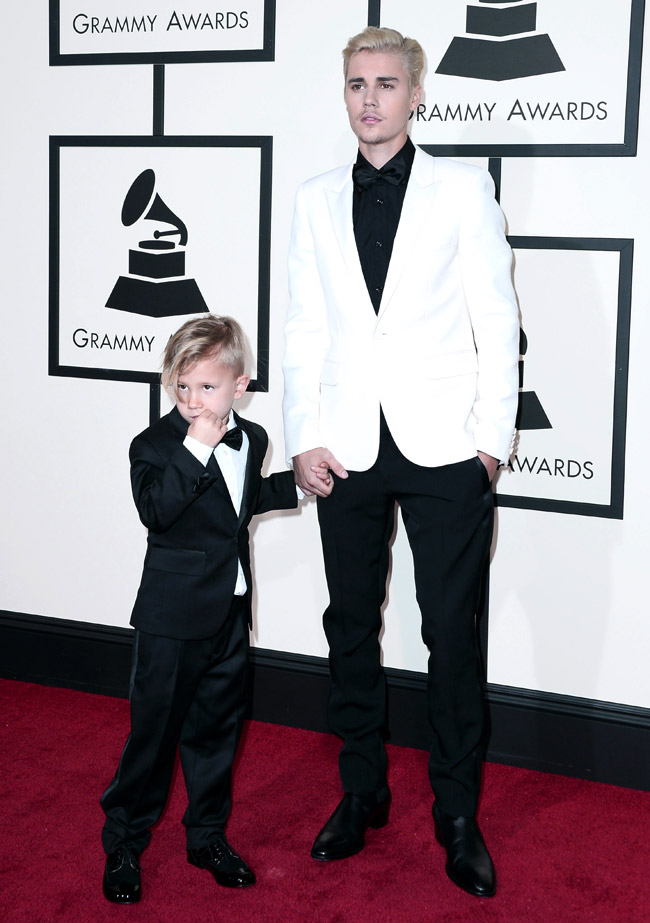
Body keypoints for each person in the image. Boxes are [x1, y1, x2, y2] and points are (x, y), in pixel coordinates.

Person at [282, 27, 519, 898]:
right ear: (343, 95)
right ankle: (361, 791)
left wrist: (491, 442)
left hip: (447, 445)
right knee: (350, 624)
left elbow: (497, 320)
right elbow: (305, 323)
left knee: (450, 636)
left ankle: (457, 812)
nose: (370, 98)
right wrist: (302, 429)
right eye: (356, 84)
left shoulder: (463, 189)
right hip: (345, 442)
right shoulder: (312, 197)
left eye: (386, 83)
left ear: (416, 93)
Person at [101, 314, 299, 904]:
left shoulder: (253, 439)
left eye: (206, 388)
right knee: (154, 736)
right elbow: (158, 512)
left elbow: (239, 502)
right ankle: (123, 843)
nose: (192, 400)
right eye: (180, 387)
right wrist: (196, 446)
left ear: (240, 386)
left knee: (217, 735)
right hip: (170, 619)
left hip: (230, 615)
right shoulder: (154, 446)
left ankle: (206, 835)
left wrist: (299, 483)